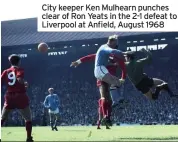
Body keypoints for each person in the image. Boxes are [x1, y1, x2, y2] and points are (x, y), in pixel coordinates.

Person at [1, 54, 33, 142]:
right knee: (28, 118)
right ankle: (29, 138)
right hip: (20, 96)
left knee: (2, 118)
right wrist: (25, 83)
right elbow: (19, 79)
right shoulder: (19, 69)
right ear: (19, 62)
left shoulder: (6, 71)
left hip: (9, 95)